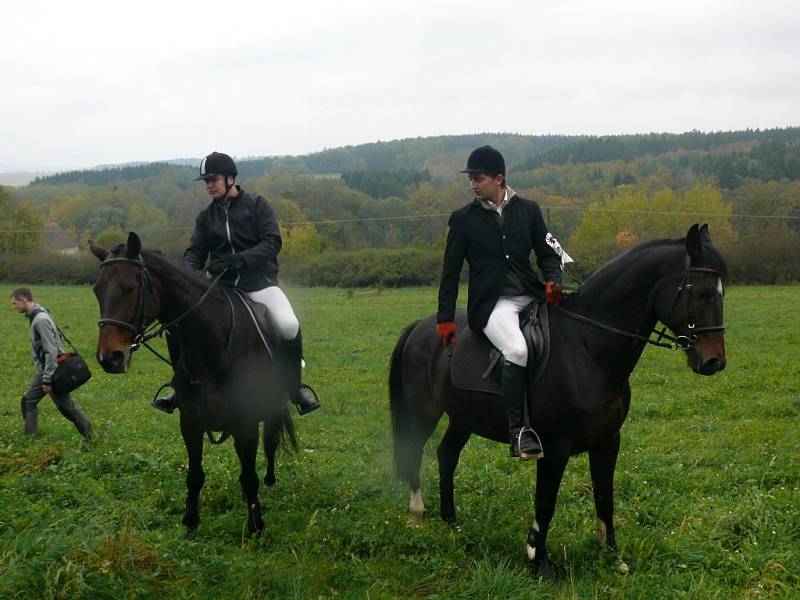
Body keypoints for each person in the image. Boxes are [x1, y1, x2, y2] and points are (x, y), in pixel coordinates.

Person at [152, 151, 320, 415]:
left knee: (289, 324)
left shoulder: (256, 206)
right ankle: (180, 384)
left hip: (260, 284)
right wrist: (190, 270)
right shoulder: (206, 217)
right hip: (221, 289)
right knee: (177, 326)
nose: (209, 185)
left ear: (231, 179)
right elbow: (196, 250)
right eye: (206, 181)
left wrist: (240, 259)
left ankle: (296, 387)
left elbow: (272, 242)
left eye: (213, 179)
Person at [436, 145, 570, 460]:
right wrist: (445, 317)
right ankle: (518, 431)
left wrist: (554, 282)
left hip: (531, 295)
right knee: (517, 349)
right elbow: (450, 273)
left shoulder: (530, 210)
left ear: (499, 179)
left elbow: (550, 254)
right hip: (493, 305)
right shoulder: (463, 220)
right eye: (470, 179)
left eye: (477, 178)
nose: (472, 185)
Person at [11, 287, 93, 439]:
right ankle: (30, 437)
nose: (13, 307)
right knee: (29, 401)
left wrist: (48, 379)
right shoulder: (40, 313)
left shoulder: (40, 320)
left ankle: (89, 434)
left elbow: (51, 350)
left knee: (65, 406)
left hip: (51, 370)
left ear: (23, 301)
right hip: (48, 369)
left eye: (15, 303)